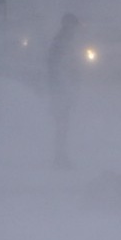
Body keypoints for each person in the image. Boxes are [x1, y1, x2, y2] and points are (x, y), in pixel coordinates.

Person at [47, 13, 81, 169]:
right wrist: (63, 85)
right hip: (60, 89)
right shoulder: (61, 42)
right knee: (61, 124)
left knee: (63, 124)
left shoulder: (64, 41)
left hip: (63, 88)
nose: (75, 29)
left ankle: (60, 155)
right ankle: (59, 157)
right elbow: (55, 66)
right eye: (74, 26)